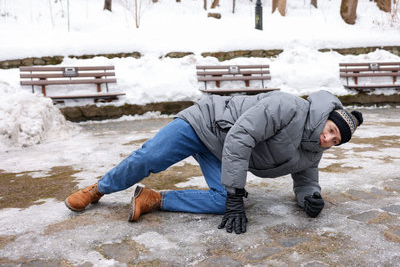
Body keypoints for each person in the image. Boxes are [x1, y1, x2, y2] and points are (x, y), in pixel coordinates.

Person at [65, 90, 363, 234]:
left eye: (336, 141)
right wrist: (237, 193)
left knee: (224, 201)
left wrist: (310, 198)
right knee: (151, 156)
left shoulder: (313, 150)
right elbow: (240, 137)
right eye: (332, 130)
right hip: (205, 125)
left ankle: (153, 199)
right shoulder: (288, 107)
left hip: (222, 152)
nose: (328, 139)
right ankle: (98, 190)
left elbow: (306, 177)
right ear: (326, 118)